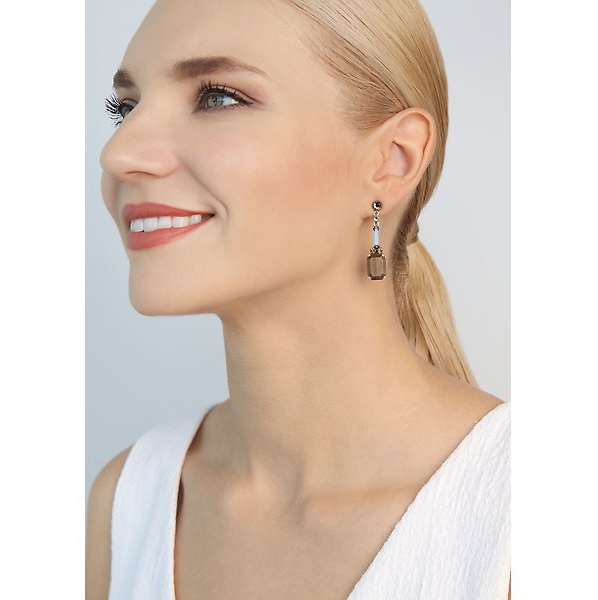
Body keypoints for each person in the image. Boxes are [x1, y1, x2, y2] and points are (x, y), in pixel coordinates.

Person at [87, 0, 510, 598]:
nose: (119, 154)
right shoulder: (128, 502)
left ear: (392, 160)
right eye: (125, 108)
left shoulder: (522, 516)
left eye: (218, 97)